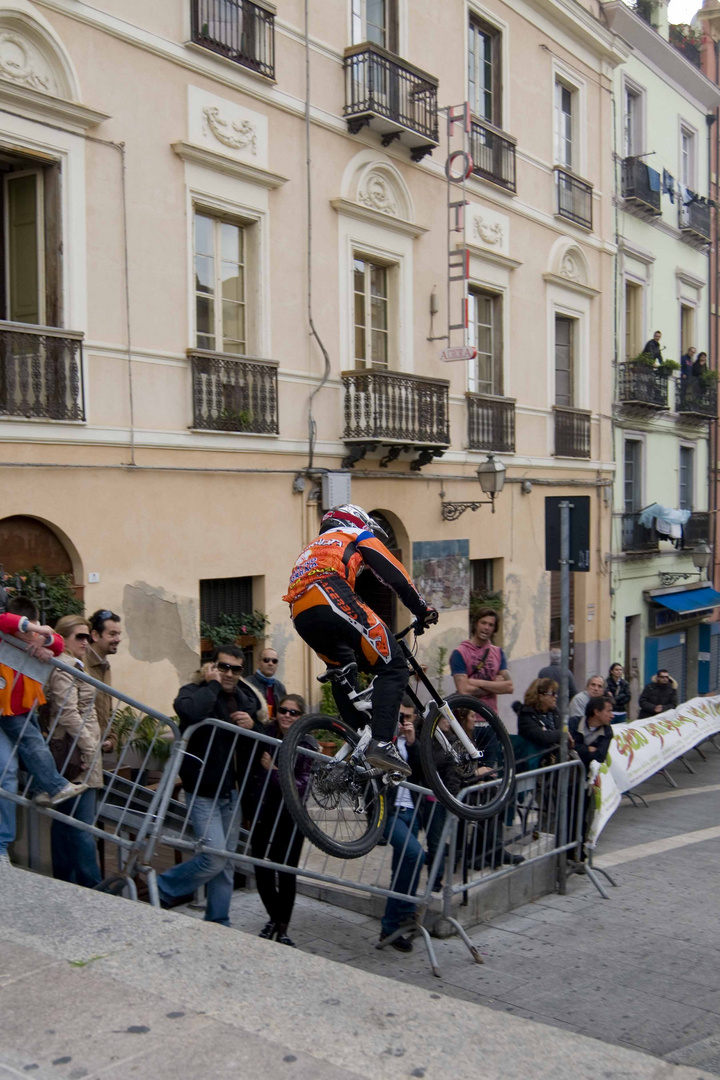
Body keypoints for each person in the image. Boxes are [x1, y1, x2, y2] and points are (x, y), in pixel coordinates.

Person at [283, 504, 437, 776]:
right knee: (394, 665)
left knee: (344, 668)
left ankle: (358, 737)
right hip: (329, 594)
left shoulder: (312, 548)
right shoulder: (354, 534)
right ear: (358, 521)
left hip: (300, 612)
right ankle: (381, 743)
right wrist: (422, 609)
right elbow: (393, 574)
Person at [156, 644, 267, 925]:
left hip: (232, 792)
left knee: (226, 861)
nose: (229, 673)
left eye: (236, 669)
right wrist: (212, 686)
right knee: (214, 858)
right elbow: (190, 712)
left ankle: (219, 920)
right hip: (203, 792)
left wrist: (253, 726)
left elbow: (264, 740)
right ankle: (162, 888)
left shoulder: (246, 701)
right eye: (223, 666)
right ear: (212, 666)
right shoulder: (194, 692)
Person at [0, 596, 87, 853]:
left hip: (22, 709)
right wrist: (36, 631)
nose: (30, 637)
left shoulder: (26, 634)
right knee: (28, 751)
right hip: (10, 711)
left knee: (24, 757)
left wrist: (45, 641)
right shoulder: (6, 628)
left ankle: (41, 789)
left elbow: (58, 642)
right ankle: (54, 786)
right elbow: (5, 619)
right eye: (26, 630)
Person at [46, 615, 113, 888]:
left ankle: (65, 883)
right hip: (76, 753)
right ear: (63, 639)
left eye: (88, 636)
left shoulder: (75, 664)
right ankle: (92, 887)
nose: (86, 641)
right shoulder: (64, 666)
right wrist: (90, 749)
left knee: (65, 825)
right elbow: (68, 713)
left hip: (78, 750)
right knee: (82, 826)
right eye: (79, 637)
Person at [250, 694, 311, 947]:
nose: (287, 715)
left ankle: (282, 927)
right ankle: (275, 919)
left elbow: (302, 786)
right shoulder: (265, 733)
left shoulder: (307, 744)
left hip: (291, 818)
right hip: (263, 813)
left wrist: (275, 771)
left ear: (301, 717)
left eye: (293, 712)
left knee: (286, 873)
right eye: (284, 710)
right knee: (261, 868)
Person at [379, 698, 425, 953]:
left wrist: (413, 743)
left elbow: (422, 773)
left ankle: (397, 920)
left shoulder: (414, 741)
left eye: (408, 717)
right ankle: (397, 917)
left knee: (403, 865)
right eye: (400, 716)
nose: (403, 721)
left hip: (413, 812)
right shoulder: (384, 738)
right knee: (414, 855)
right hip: (390, 811)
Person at [449, 608, 513, 713]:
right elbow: (464, 690)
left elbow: (509, 687)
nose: (486, 628)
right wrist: (495, 685)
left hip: (491, 718)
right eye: (483, 623)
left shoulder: (498, 652)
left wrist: (477, 682)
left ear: (494, 629)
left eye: (491, 625)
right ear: (475, 624)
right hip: (468, 720)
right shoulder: (460, 653)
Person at [514, 679, 571, 762]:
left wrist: (564, 734)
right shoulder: (526, 715)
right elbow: (541, 737)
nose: (556, 696)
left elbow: (564, 728)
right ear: (541, 697)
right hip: (533, 763)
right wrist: (562, 734)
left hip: (554, 760)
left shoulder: (555, 712)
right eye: (552, 694)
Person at [86, 609, 122, 735]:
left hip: (97, 744)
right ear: (95, 635)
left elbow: (107, 707)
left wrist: (111, 737)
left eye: (119, 634)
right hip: (79, 743)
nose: (118, 639)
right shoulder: (80, 662)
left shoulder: (105, 666)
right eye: (112, 634)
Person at [569, 695, 614, 770]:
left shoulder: (607, 731)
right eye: (609, 711)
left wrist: (577, 749)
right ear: (597, 712)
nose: (612, 716)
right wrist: (587, 749)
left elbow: (600, 757)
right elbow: (566, 747)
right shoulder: (574, 723)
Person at [248, 647, 287, 720]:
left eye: (274, 661)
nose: (270, 663)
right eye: (266, 660)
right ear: (258, 663)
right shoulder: (248, 684)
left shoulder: (280, 687)